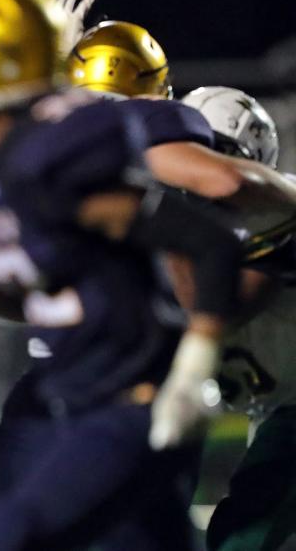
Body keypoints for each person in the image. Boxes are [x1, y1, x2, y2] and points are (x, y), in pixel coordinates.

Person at [0, 0, 245, 549]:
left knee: (1, 540)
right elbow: (45, 295)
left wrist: (193, 370)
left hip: (130, 400)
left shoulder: (57, 150)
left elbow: (208, 240)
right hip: (62, 392)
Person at [175, 87, 296, 551]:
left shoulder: (272, 213)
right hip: (272, 409)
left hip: (290, 413)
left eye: (216, 155)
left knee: (241, 536)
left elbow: (222, 305)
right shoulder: (180, 231)